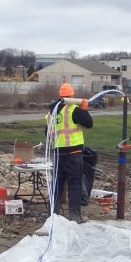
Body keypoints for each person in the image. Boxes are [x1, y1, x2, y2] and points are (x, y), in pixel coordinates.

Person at [47, 83, 93, 222]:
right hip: (73, 152)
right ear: (72, 96)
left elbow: (47, 132)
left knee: (57, 185)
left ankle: (53, 216)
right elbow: (89, 123)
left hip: (57, 153)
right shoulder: (73, 109)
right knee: (74, 184)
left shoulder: (53, 112)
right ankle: (74, 216)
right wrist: (84, 110)